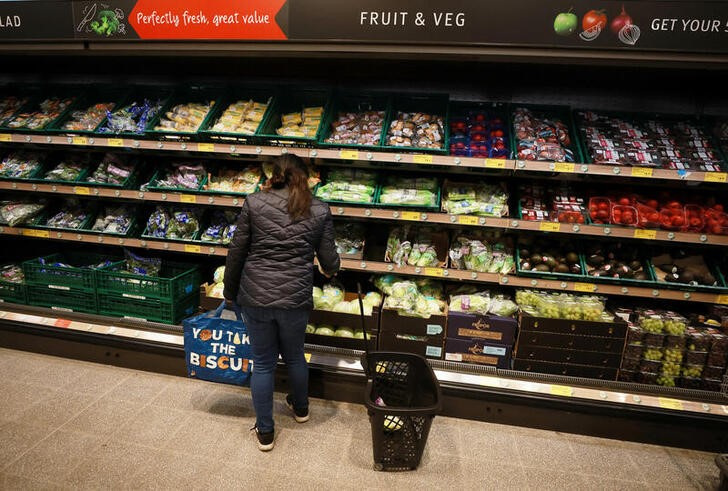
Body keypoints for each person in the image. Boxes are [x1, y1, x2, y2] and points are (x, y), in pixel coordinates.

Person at [223, 154, 340, 451]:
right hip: (295, 298)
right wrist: (332, 268)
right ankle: (300, 409)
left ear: (274, 174)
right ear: (305, 176)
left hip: (255, 295)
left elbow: (236, 252)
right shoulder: (319, 209)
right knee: (295, 356)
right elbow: (329, 260)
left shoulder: (254, 203)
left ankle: (265, 432)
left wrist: (229, 289)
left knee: (262, 364)